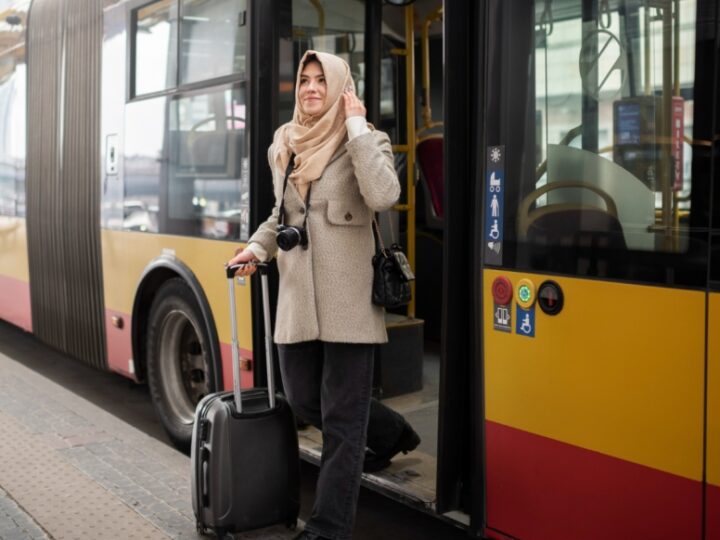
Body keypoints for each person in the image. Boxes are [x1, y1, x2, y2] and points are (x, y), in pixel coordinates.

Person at [226, 50, 420, 540]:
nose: (311, 88)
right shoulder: (284, 144)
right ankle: (391, 432)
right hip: (297, 299)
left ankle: (328, 528)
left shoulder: (366, 138)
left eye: (321, 80)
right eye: (304, 80)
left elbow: (383, 196)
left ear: (340, 87)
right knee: (304, 400)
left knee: (341, 421)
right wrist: (255, 249)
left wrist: (355, 127)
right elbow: (279, 217)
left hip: (350, 302)